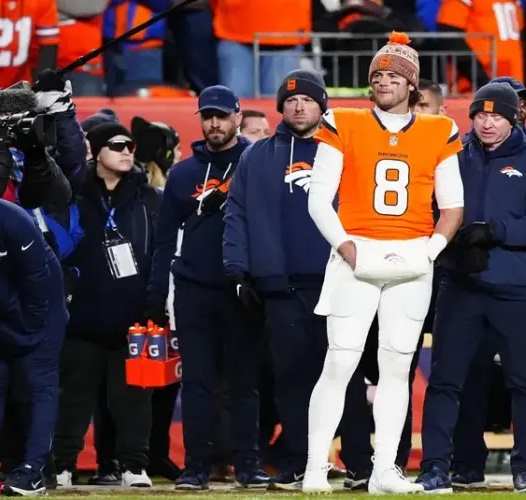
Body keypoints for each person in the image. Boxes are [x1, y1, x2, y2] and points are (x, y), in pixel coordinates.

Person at [303, 31, 465, 494]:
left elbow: (453, 204)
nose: (383, 82)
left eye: (394, 75)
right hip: (356, 251)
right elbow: (319, 198)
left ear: (412, 84)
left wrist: (430, 250)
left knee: (397, 368)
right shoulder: (343, 122)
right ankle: (316, 467)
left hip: (413, 253)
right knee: (340, 362)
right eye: (377, 75)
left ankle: (385, 470)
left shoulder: (439, 129)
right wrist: (346, 246)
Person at [224, 68, 374, 490]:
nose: (298, 105)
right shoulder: (257, 155)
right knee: (290, 380)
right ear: (280, 107)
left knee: (347, 373)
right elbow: (236, 214)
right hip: (282, 285)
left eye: (307, 99)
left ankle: (360, 463)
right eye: (290, 100)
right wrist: (237, 268)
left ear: (322, 103)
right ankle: (299, 464)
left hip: (341, 280)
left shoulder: (346, 149)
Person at [418, 82, 526, 494]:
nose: (486, 123)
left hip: (517, 287)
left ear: (513, 116)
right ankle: (433, 467)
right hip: (461, 284)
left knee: (524, 381)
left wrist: (496, 231)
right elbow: (431, 210)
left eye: (495, 115)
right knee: (446, 379)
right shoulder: (452, 155)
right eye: (480, 115)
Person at [146, 85, 267, 490]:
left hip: (241, 287)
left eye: (222, 115)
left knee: (244, 380)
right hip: (194, 287)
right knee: (196, 381)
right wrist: (156, 291)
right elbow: (164, 241)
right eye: (207, 115)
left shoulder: (255, 162)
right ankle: (196, 465)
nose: (214, 123)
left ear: (237, 116)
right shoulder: (182, 174)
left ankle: (248, 463)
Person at [52, 123, 160, 489]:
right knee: (73, 400)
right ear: (96, 151)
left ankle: (133, 466)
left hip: (133, 319)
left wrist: (154, 302)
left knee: (134, 401)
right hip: (81, 318)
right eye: (117, 145)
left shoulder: (149, 198)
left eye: (130, 145)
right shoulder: (73, 194)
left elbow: (160, 254)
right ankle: (61, 465)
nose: (128, 150)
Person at [0, 198, 67, 497]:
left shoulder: (12, 220)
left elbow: (37, 280)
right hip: (3, 311)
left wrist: (28, 335)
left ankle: (34, 470)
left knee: (40, 384)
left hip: (41, 311)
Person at [132, 116, 182, 189]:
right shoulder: (172, 192)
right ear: (166, 155)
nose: (180, 154)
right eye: (177, 149)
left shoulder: (130, 186)